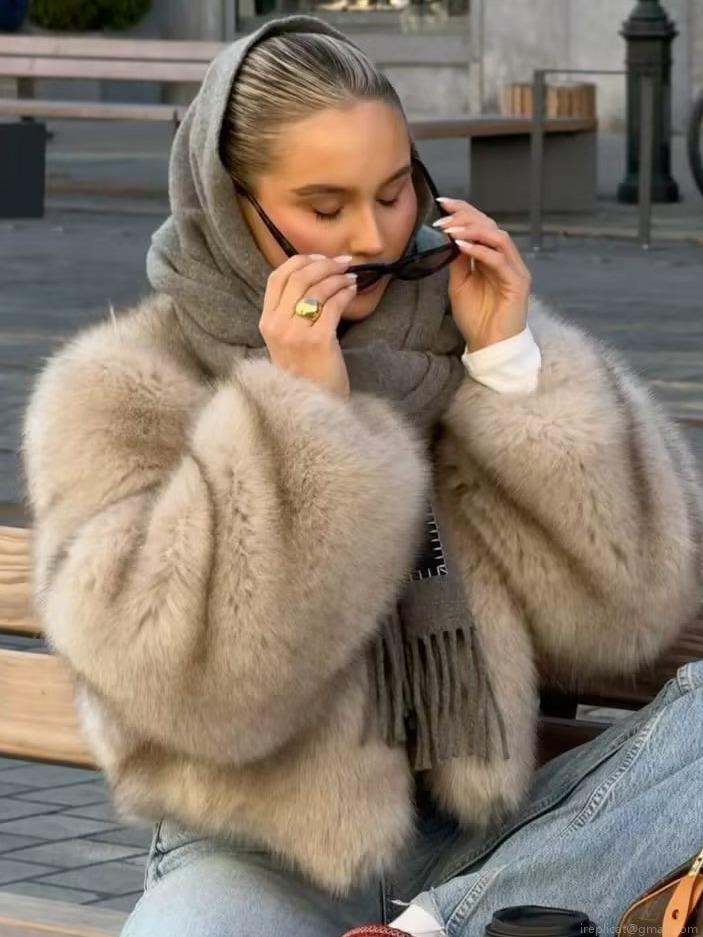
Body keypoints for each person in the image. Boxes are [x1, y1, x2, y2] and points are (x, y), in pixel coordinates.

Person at [20, 15, 702, 937]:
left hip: (506, 843)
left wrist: (510, 365)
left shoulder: (464, 333)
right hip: (254, 858)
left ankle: (433, 926)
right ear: (229, 205)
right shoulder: (121, 390)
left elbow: (630, 610)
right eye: (324, 206)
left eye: (393, 192)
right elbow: (194, 697)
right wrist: (300, 419)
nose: (375, 235)